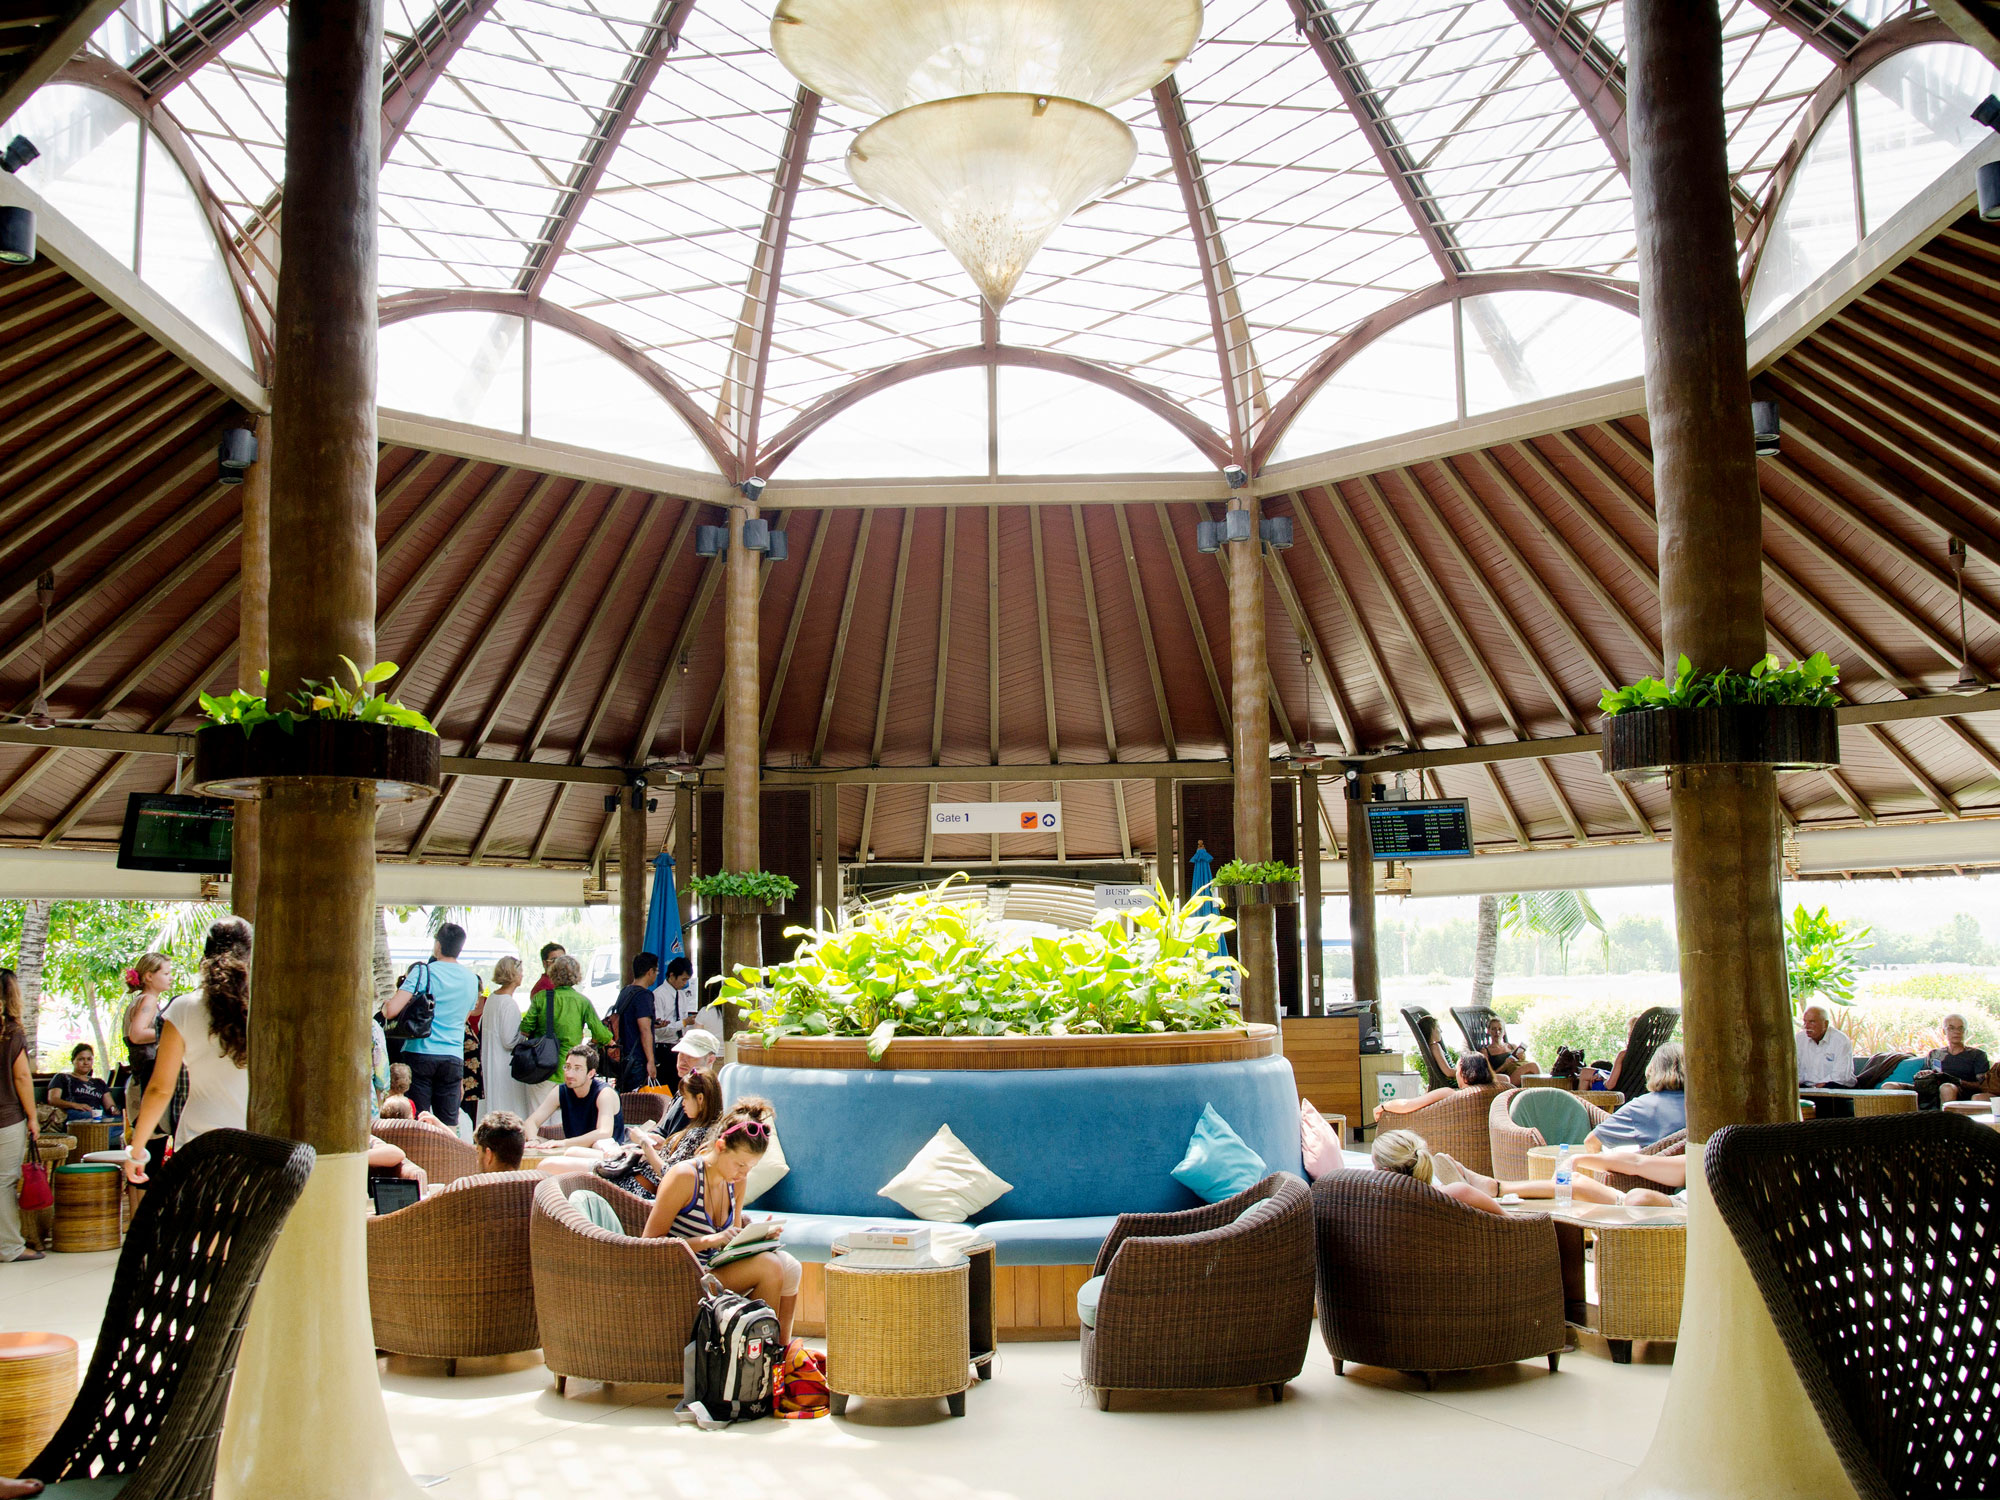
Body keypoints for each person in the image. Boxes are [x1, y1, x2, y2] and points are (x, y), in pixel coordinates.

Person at [642, 1114, 801, 1343]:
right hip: (683, 1274)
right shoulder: (684, 1177)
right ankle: (758, 1361)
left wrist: (758, 1239)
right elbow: (650, 1243)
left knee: (790, 1266)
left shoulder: (735, 1181)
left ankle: (782, 1359)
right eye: (740, 1165)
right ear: (720, 1146)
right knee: (769, 1267)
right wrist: (711, 1240)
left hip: (714, 1268)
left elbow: (731, 1245)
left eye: (750, 1168)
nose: (744, 1174)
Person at [123, 918, 252, 1185]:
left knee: (201, 1225)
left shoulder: (183, 1008)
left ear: (205, 955)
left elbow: (160, 1088)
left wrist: (137, 1151)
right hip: (259, 1142)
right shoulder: (269, 1006)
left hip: (200, 1142)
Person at [383, 921, 480, 1128]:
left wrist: (384, 1007)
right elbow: (463, 1019)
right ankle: (445, 1159)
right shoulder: (472, 980)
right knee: (447, 1126)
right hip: (453, 1058)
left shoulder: (423, 972)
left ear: (437, 945)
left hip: (420, 1054)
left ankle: (419, 1160)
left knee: (418, 1122)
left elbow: (392, 1010)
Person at [1430, 1145, 1685, 1209]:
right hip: (1662, 1204)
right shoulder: (1704, 1155)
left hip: (1686, 1212)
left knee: (1639, 1199)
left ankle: (1493, 1189)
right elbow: (1638, 1162)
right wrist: (1579, 1158)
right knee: (1574, 1181)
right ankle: (1495, 1187)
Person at [1, 969, 44, 1263]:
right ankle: (10, 1247)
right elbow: (21, 1078)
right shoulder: (12, 1031)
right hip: (6, 1118)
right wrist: (32, 1116)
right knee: (4, 1182)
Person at [628, 1070, 723, 1198]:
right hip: (641, 1184)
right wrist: (665, 1145)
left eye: (685, 1098)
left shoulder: (698, 1133)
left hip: (642, 1190)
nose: (682, 1103)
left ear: (700, 1098)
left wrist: (644, 1143)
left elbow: (668, 1173)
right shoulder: (709, 1130)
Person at [1588, 1043, 1688, 1149]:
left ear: (1652, 1069)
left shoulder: (1641, 1106)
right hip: (1697, 1164)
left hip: (1651, 1164)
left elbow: (1591, 1141)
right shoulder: (1703, 1105)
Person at [525, 1045, 626, 1148]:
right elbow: (531, 1122)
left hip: (606, 1157)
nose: (569, 1074)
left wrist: (564, 1143)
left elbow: (604, 1132)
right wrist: (534, 1139)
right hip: (573, 1153)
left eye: (577, 1069)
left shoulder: (604, 1093)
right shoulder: (560, 1091)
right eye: (567, 1067)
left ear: (591, 1073)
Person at [517, 953, 612, 1060]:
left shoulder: (541, 997)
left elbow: (525, 1029)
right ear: (577, 975)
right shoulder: (582, 1002)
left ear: (552, 973)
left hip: (542, 1063)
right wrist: (610, 1041)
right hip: (570, 1063)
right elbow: (601, 1034)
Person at [478, 956, 534, 1120]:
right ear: (513, 974)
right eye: (520, 971)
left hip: (490, 1059)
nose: (522, 975)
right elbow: (509, 1040)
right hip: (504, 1064)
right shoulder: (508, 1004)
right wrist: (525, 1035)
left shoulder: (492, 999)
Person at [121, 952, 174, 1125]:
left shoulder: (141, 1000)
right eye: (166, 974)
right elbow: (136, 1034)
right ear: (149, 976)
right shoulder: (148, 1000)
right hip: (145, 1080)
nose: (170, 978)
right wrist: (171, 1032)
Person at [1374, 1051, 1500, 1123]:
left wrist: (1383, 1106)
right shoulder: (1499, 1090)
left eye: (1457, 1070)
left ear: (1464, 1074)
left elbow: (1407, 1105)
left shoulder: (1450, 1095)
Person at [46, 1043, 124, 1147]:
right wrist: (76, 1105)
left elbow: (110, 1105)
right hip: (75, 1113)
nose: (86, 1062)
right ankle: (100, 1144)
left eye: (89, 1059)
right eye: (81, 1059)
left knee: (125, 1121)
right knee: (97, 1121)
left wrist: (113, 1109)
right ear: (73, 1061)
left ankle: (100, 1139)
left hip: (99, 1116)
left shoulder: (98, 1082)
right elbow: (53, 1099)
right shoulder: (62, 1077)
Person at [1914, 1012, 1991, 1106]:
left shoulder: (1977, 1055)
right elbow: (1923, 1077)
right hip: (1932, 1091)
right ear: (1944, 1031)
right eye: (1951, 1028)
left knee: (1947, 1087)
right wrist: (1923, 1074)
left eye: (1961, 1028)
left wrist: (1955, 1080)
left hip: (1961, 1091)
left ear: (1966, 1032)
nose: (1957, 1032)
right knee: (1892, 1086)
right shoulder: (1935, 1054)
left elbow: (1983, 1085)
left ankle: (1948, 1119)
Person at [659, 1027, 725, 1137]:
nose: (683, 1061)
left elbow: (675, 1142)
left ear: (710, 1060)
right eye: (681, 1054)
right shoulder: (685, 1087)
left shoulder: (703, 1094)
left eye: (691, 1056)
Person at [612, 951, 660, 1093]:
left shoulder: (625, 991)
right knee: (638, 1105)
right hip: (637, 1059)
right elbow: (644, 1030)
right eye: (656, 971)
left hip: (623, 1057)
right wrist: (651, 1061)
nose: (656, 975)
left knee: (624, 1100)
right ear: (650, 971)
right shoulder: (644, 995)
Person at [1796, 1002, 1857, 1087]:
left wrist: (1819, 1086)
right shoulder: (1799, 1039)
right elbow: (1795, 1069)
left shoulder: (1840, 1040)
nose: (1806, 1026)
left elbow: (1841, 1075)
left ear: (1825, 1024)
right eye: (1805, 1022)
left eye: (1812, 1022)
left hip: (1835, 1086)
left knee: (1831, 1086)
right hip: (1808, 1087)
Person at [654, 954, 697, 1043]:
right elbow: (658, 1030)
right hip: (663, 1045)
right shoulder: (658, 995)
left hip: (681, 1043)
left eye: (687, 980)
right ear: (672, 975)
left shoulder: (681, 994)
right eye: (683, 979)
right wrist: (684, 1022)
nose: (685, 983)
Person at [1480, 1016, 1534, 1083]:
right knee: (1533, 1066)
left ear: (1504, 1032)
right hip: (1506, 1079)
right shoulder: (1485, 1051)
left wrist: (1522, 1057)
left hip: (1519, 1073)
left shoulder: (1512, 1046)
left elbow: (1521, 1063)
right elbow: (1488, 1075)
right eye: (1493, 1029)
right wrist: (1504, 1065)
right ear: (1488, 1031)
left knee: (1532, 1068)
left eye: (1500, 1029)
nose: (1497, 1032)